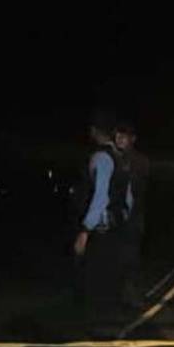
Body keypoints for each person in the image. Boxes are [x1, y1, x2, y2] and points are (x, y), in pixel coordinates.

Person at [72, 111, 135, 308]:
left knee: (92, 276)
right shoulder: (121, 158)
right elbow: (129, 197)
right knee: (109, 273)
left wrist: (85, 229)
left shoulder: (101, 157)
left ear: (94, 131)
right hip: (117, 222)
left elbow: (100, 196)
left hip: (101, 225)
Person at [114, 120, 149, 293]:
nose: (119, 139)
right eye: (117, 136)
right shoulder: (114, 157)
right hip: (119, 215)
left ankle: (131, 291)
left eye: (124, 136)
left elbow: (138, 188)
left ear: (132, 139)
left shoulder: (139, 160)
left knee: (130, 256)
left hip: (133, 215)